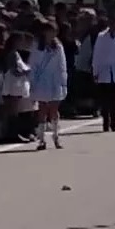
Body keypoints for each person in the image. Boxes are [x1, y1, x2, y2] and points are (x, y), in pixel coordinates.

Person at [29, 20, 69, 150]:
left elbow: (62, 65)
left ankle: (56, 137)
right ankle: (41, 139)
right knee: (42, 109)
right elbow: (33, 64)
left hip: (55, 80)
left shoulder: (58, 46)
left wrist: (64, 82)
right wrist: (32, 81)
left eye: (54, 31)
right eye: (49, 31)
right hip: (41, 80)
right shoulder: (37, 46)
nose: (51, 34)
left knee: (54, 110)